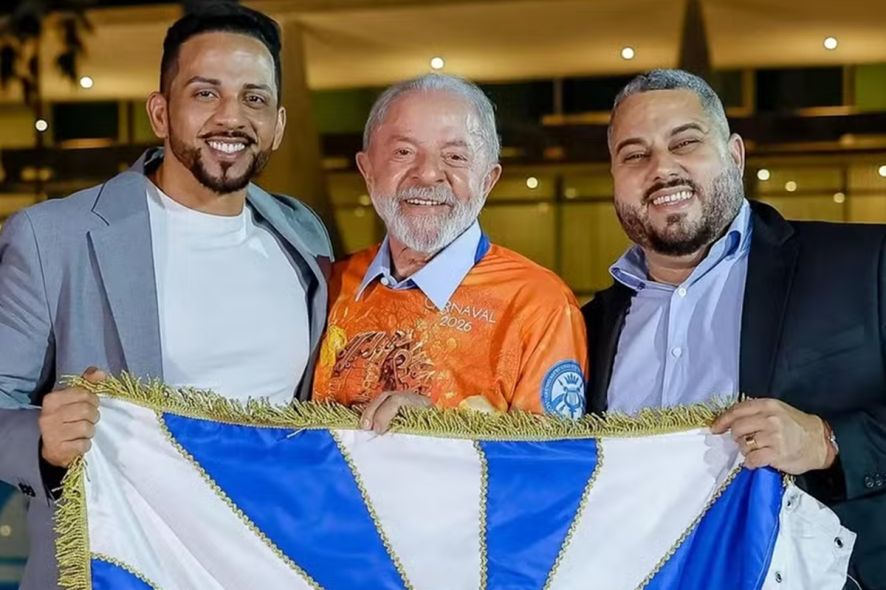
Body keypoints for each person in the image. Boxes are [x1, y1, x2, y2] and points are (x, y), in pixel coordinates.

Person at [0, 5, 332, 588]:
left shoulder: (302, 237)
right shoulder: (53, 237)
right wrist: (43, 441)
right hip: (119, 570)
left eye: (254, 98)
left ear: (279, 124)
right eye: (205, 93)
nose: (231, 117)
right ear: (161, 112)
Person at [583, 68, 885, 588]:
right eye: (634, 155)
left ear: (736, 155)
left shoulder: (863, 264)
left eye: (685, 142)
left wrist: (828, 441)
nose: (662, 168)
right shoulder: (586, 327)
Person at [313, 74, 587, 432]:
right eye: (403, 152)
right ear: (368, 171)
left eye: (455, 156)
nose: (428, 174)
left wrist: (438, 432)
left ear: (487, 181)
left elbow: (552, 458)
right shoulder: (329, 285)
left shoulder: (537, 305)